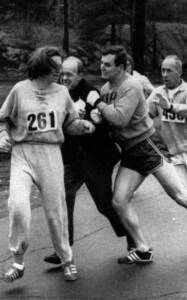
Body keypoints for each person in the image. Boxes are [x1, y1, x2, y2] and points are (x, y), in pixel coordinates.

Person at [0, 46, 95, 282]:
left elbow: (70, 124)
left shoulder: (62, 92)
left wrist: (82, 126)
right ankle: (18, 262)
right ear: (41, 66)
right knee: (18, 206)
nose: (60, 72)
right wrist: (2, 136)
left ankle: (67, 259)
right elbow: (3, 119)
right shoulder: (20, 90)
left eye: (61, 67)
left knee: (56, 211)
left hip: (51, 153)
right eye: (55, 67)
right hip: (23, 153)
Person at [87, 45, 187, 264]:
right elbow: (110, 121)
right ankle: (142, 248)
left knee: (180, 195)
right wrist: (97, 116)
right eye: (101, 63)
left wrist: (97, 104)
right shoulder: (105, 89)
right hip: (130, 151)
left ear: (121, 67)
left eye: (107, 64)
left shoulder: (131, 85)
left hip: (147, 144)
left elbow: (121, 118)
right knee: (119, 200)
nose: (101, 67)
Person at [44, 56, 136, 267]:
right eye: (62, 73)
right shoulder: (57, 92)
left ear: (80, 75)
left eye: (69, 74)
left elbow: (109, 126)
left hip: (95, 158)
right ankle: (63, 251)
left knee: (104, 204)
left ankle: (134, 240)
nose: (64, 77)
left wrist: (95, 120)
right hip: (71, 158)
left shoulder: (91, 93)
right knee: (62, 196)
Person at [148, 55, 187, 187]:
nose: (164, 75)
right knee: (184, 195)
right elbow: (144, 117)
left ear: (179, 72)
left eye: (169, 71)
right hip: (173, 155)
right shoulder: (158, 93)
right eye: (162, 70)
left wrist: (170, 107)